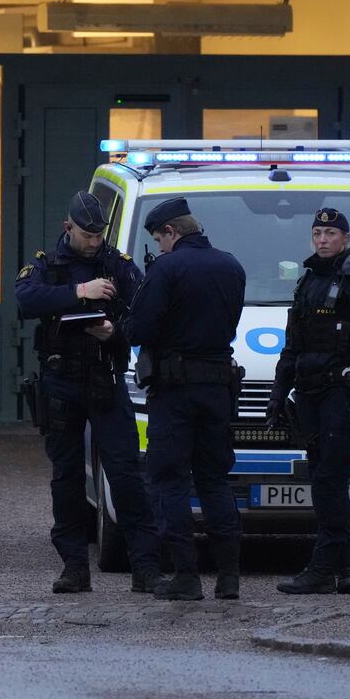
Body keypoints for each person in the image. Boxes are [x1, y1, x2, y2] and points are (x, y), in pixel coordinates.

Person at [15, 190, 161, 595]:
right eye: (87, 235)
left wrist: (115, 331)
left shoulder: (118, 265)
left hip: (105, 377)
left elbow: (146, 315)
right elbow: (25, 299)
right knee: (66, 477)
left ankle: (145, 566)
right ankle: (75, 566)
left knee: (126, 473)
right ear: (68, 228)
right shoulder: (47, 266)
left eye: (100, 235)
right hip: (62, 380)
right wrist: (80, 293)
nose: (95, 242)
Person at [126, 196, 246, 601]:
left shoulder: (167, 268)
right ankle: (229, 578)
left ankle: (186, 576)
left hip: (175, 392)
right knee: (215, 481)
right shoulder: (231, 265)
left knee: (170, 481)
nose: (159, 246)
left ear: (172, 232)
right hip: (216, 387)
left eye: (160, 237)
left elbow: (139, 328)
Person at [267, 207, 350, 595]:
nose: (323, 239)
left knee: (326, 481)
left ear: (346, 240)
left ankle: (321, 569)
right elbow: (292, 348)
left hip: (342, 396)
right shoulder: (307, 282)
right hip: (309, 396)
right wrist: (275, 395)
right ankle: (347, 567)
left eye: (331, 234)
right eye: (317, 232)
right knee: (328, 481)